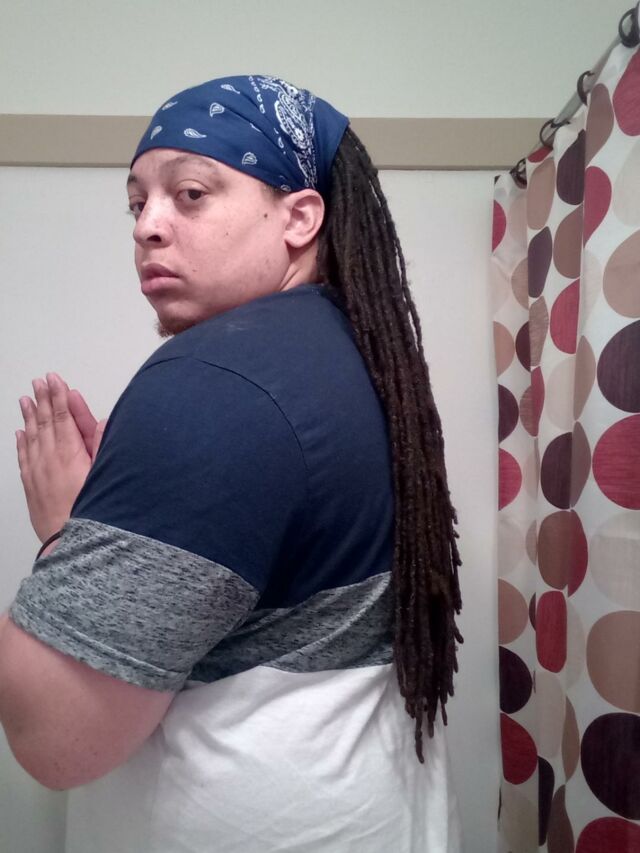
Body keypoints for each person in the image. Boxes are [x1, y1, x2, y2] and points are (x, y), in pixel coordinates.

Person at [0, 75, 463, 852]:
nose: (148, 226)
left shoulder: (215, 383)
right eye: (136, 203)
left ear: (299, 217)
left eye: (190, 194)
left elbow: (57, 740)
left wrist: (61, 532)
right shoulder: (355, 352)